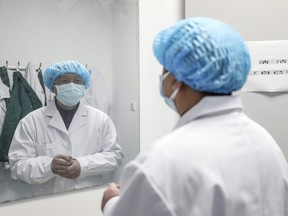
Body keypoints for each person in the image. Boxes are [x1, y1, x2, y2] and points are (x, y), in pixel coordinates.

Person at [101, 17, 288, 216]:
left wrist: (112, 203)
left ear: (176, 81)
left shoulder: (163, 162)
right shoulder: (266, 143)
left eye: (165, 71)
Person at [8, 60, 124, 194]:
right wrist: (49, 166)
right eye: (64, 81)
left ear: (84, 86)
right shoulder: (31, 121)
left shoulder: (101, 119)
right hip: (48, 201)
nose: (71, 85)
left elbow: (115, 156)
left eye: (77, 81)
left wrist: (83, 165)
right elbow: (18, 164)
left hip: (88, 197)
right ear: (53, 87)